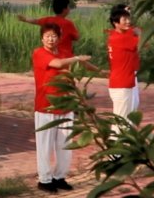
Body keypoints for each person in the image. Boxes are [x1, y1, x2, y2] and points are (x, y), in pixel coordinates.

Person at [32, 23, 96, 194]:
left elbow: (81, 63)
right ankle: (44, 180)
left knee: (65, 145)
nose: (50, 39)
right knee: (45, 146)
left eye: (54, 36)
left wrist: (100, 71)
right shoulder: (39, 53)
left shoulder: (65, 53)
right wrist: (77, 59)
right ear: (42, 38)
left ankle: (59, 177)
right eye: (47, 36)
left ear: (59, 38)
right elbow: (58, 64)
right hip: (46, 106)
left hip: (66, 106)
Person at [107, 5, 141, 118]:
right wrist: (138, 32)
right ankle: (117, 136)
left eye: (128, 18)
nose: (128, 22)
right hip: (122, 83)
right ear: (116, 23)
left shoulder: (116, 35)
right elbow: (143, 41)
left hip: (125, 80)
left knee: (127, 117)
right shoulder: (121, 38)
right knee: (122, 120)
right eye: (124, 19)